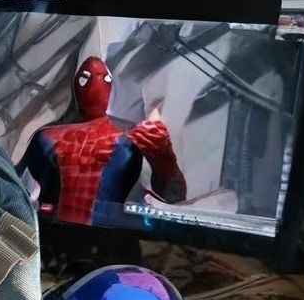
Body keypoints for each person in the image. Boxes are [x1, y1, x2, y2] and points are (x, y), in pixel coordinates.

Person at [17, 56, 187, 225]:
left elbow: (173, 196)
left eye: (103, 78)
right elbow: (174, 195)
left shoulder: (48, 137)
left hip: (68, 233)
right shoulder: (47, 137)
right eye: (86, 79)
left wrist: (165, 160)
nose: (95, 84)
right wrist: (165, 160)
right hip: (72, 233)